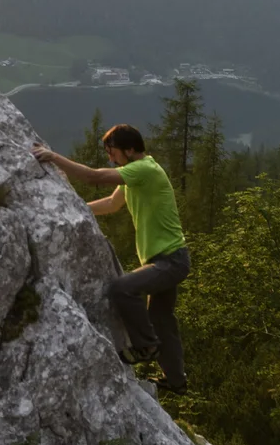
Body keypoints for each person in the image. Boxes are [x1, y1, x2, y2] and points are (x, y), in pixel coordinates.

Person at [32, 124, 190, 392]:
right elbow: (112, 204)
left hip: (170, 261)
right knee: (162, 320)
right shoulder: (139, 174)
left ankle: (145, 346)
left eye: (113, 152)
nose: (110, 158)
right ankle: (176, 381)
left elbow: (95, 177)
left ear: (130, 150)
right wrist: (78, 208)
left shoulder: (144, 170)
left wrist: (53, 156)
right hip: (167, 259)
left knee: (121, 289)